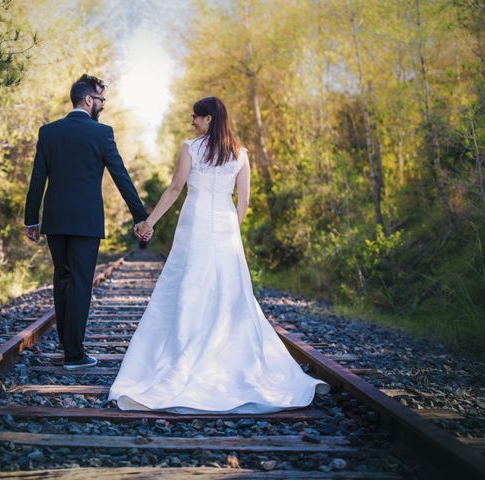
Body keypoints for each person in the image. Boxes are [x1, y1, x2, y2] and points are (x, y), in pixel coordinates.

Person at [109, 96, 330, 413]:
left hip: (195, 224)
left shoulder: (191, 148)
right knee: (229, 292)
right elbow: (243, 201)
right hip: (226, 229)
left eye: (196, 116)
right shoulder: (240, 154)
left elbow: (175, 189)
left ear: (210, 118)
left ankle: (182, 357)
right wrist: (232, 233)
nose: (192, 121)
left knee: (188, 286)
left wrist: (148, 222)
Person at [24, 74, 153, 370]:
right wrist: (141, 219)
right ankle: (74, 354)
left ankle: (68, 346)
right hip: (85, 221)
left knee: (62, 279)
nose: (103, 106)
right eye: (101, 100)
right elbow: (121, 177)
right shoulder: (101, 134)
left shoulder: (49, 132)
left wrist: (32, 219)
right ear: (88, 100)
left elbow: (37, 178)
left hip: (55, 220)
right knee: (80, 284)